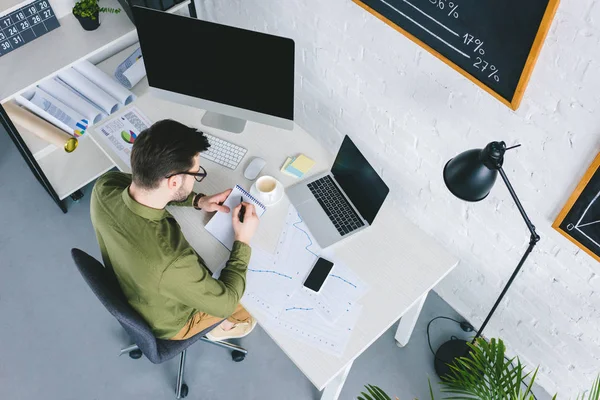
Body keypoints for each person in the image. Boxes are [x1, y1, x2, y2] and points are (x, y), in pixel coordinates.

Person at [90, 119, 260, 341]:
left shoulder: (104, 187)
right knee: (250, 308)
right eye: (196, 174)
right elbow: (225, 302)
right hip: (172, 322)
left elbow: (146, 189)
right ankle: (223, 328)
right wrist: (243, 240)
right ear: (173, 183)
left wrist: (198, 200)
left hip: (133, 281)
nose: (197, 179)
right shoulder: (171, 261)